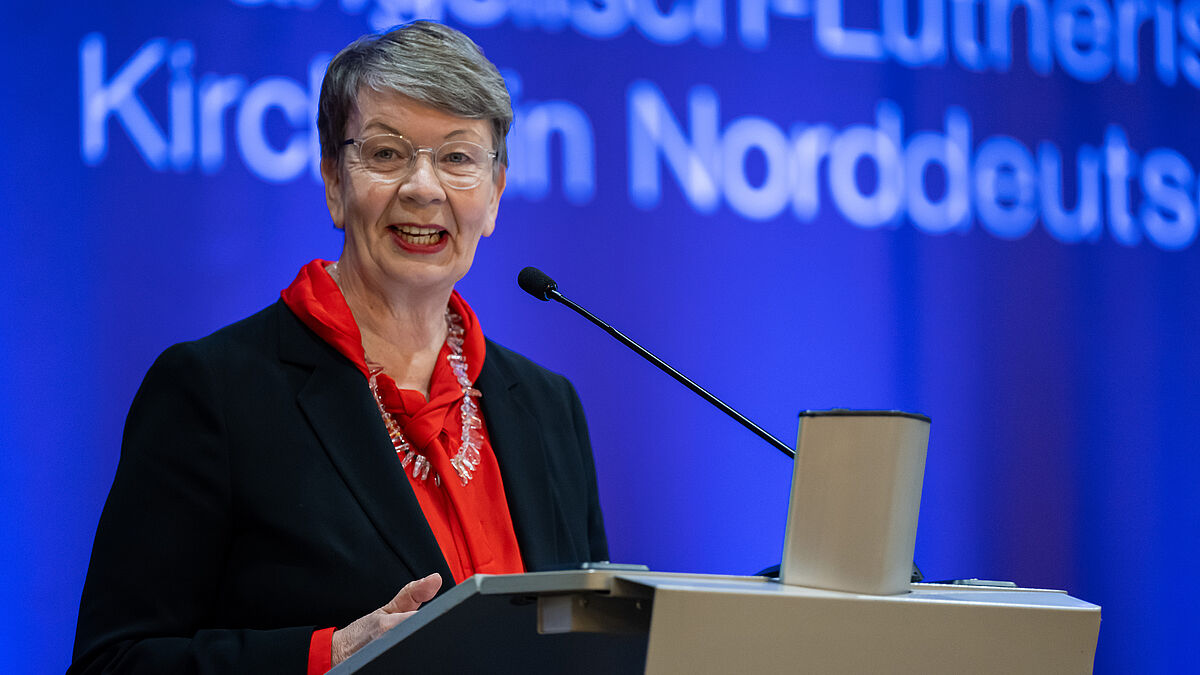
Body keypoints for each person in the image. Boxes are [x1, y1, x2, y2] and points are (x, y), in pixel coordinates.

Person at [70, 21, 607, 674]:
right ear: (333, 180)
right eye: (386, 154)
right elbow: (113, 662)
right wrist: (327, 655)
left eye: (458, 158)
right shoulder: (214, 391)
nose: (423, 186)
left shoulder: (549, 408)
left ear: (494, 195)